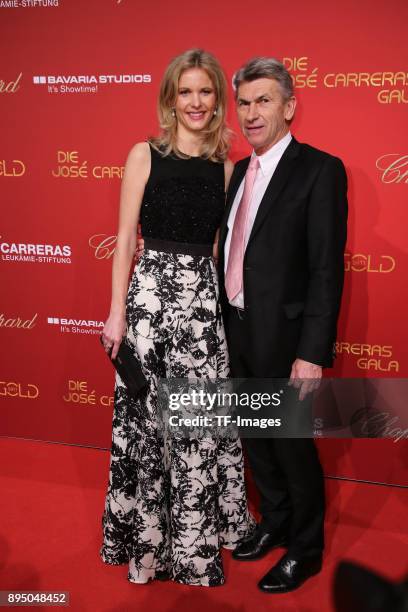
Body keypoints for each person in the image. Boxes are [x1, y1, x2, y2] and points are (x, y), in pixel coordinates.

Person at [99, 48, 254, 587]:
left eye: (205, 92)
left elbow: (221, 252)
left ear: (217, 102)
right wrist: (116, 315)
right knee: (149, 422)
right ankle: (147, 543)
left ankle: (191, 546)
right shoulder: (143, 154)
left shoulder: (228, 167)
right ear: (170, 98)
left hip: (202, 310)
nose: (194, 102)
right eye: (184, 91)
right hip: (148, 306)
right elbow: (123, 242)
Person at [217, 57, 348, 593]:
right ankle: (274, 519)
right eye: (244, 102)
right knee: (256, 439)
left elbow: (325, 268)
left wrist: (311, 352)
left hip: (289, 342)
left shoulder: (320, 169)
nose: (251, 113)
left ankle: (306, 548)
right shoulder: (238, 171)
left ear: (289, 107)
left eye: (264, 100)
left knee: (292, 445)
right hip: (237, 331)